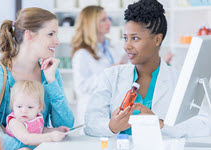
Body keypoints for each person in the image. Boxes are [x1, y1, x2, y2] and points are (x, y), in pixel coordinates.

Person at [84, 0, 211, 138]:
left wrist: (161, 124)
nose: (127, 46)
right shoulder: (111, 76)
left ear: (157, 39)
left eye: (135, 38)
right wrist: (111, 127)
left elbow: (205, 124)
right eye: (125, 38)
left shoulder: (179, 80)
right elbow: (91, 122)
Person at [0, 7, 74, 150]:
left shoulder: (49, 73)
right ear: (29, 35)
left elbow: (66, 125)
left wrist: (52, 81)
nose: (57, 41)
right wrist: (36, 143)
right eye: (51, 34)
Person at [71, 6, 128, 126]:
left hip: (111, 108)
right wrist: (109, 71)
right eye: (103, 20)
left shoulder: (110, 49)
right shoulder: (82, 54)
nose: (109, 22)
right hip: (92, 111)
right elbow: (81, 88)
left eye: (108, 18)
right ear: (91, 25)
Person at [6, 80, 68, 150]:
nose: (24, 111)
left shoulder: (37, 117)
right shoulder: (14, 121)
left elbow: (42, 130)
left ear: (39, 108)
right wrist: (50, 137)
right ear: (12, 106)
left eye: (30, 107)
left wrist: (57, 130)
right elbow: (26, 139)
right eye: (19, 106)